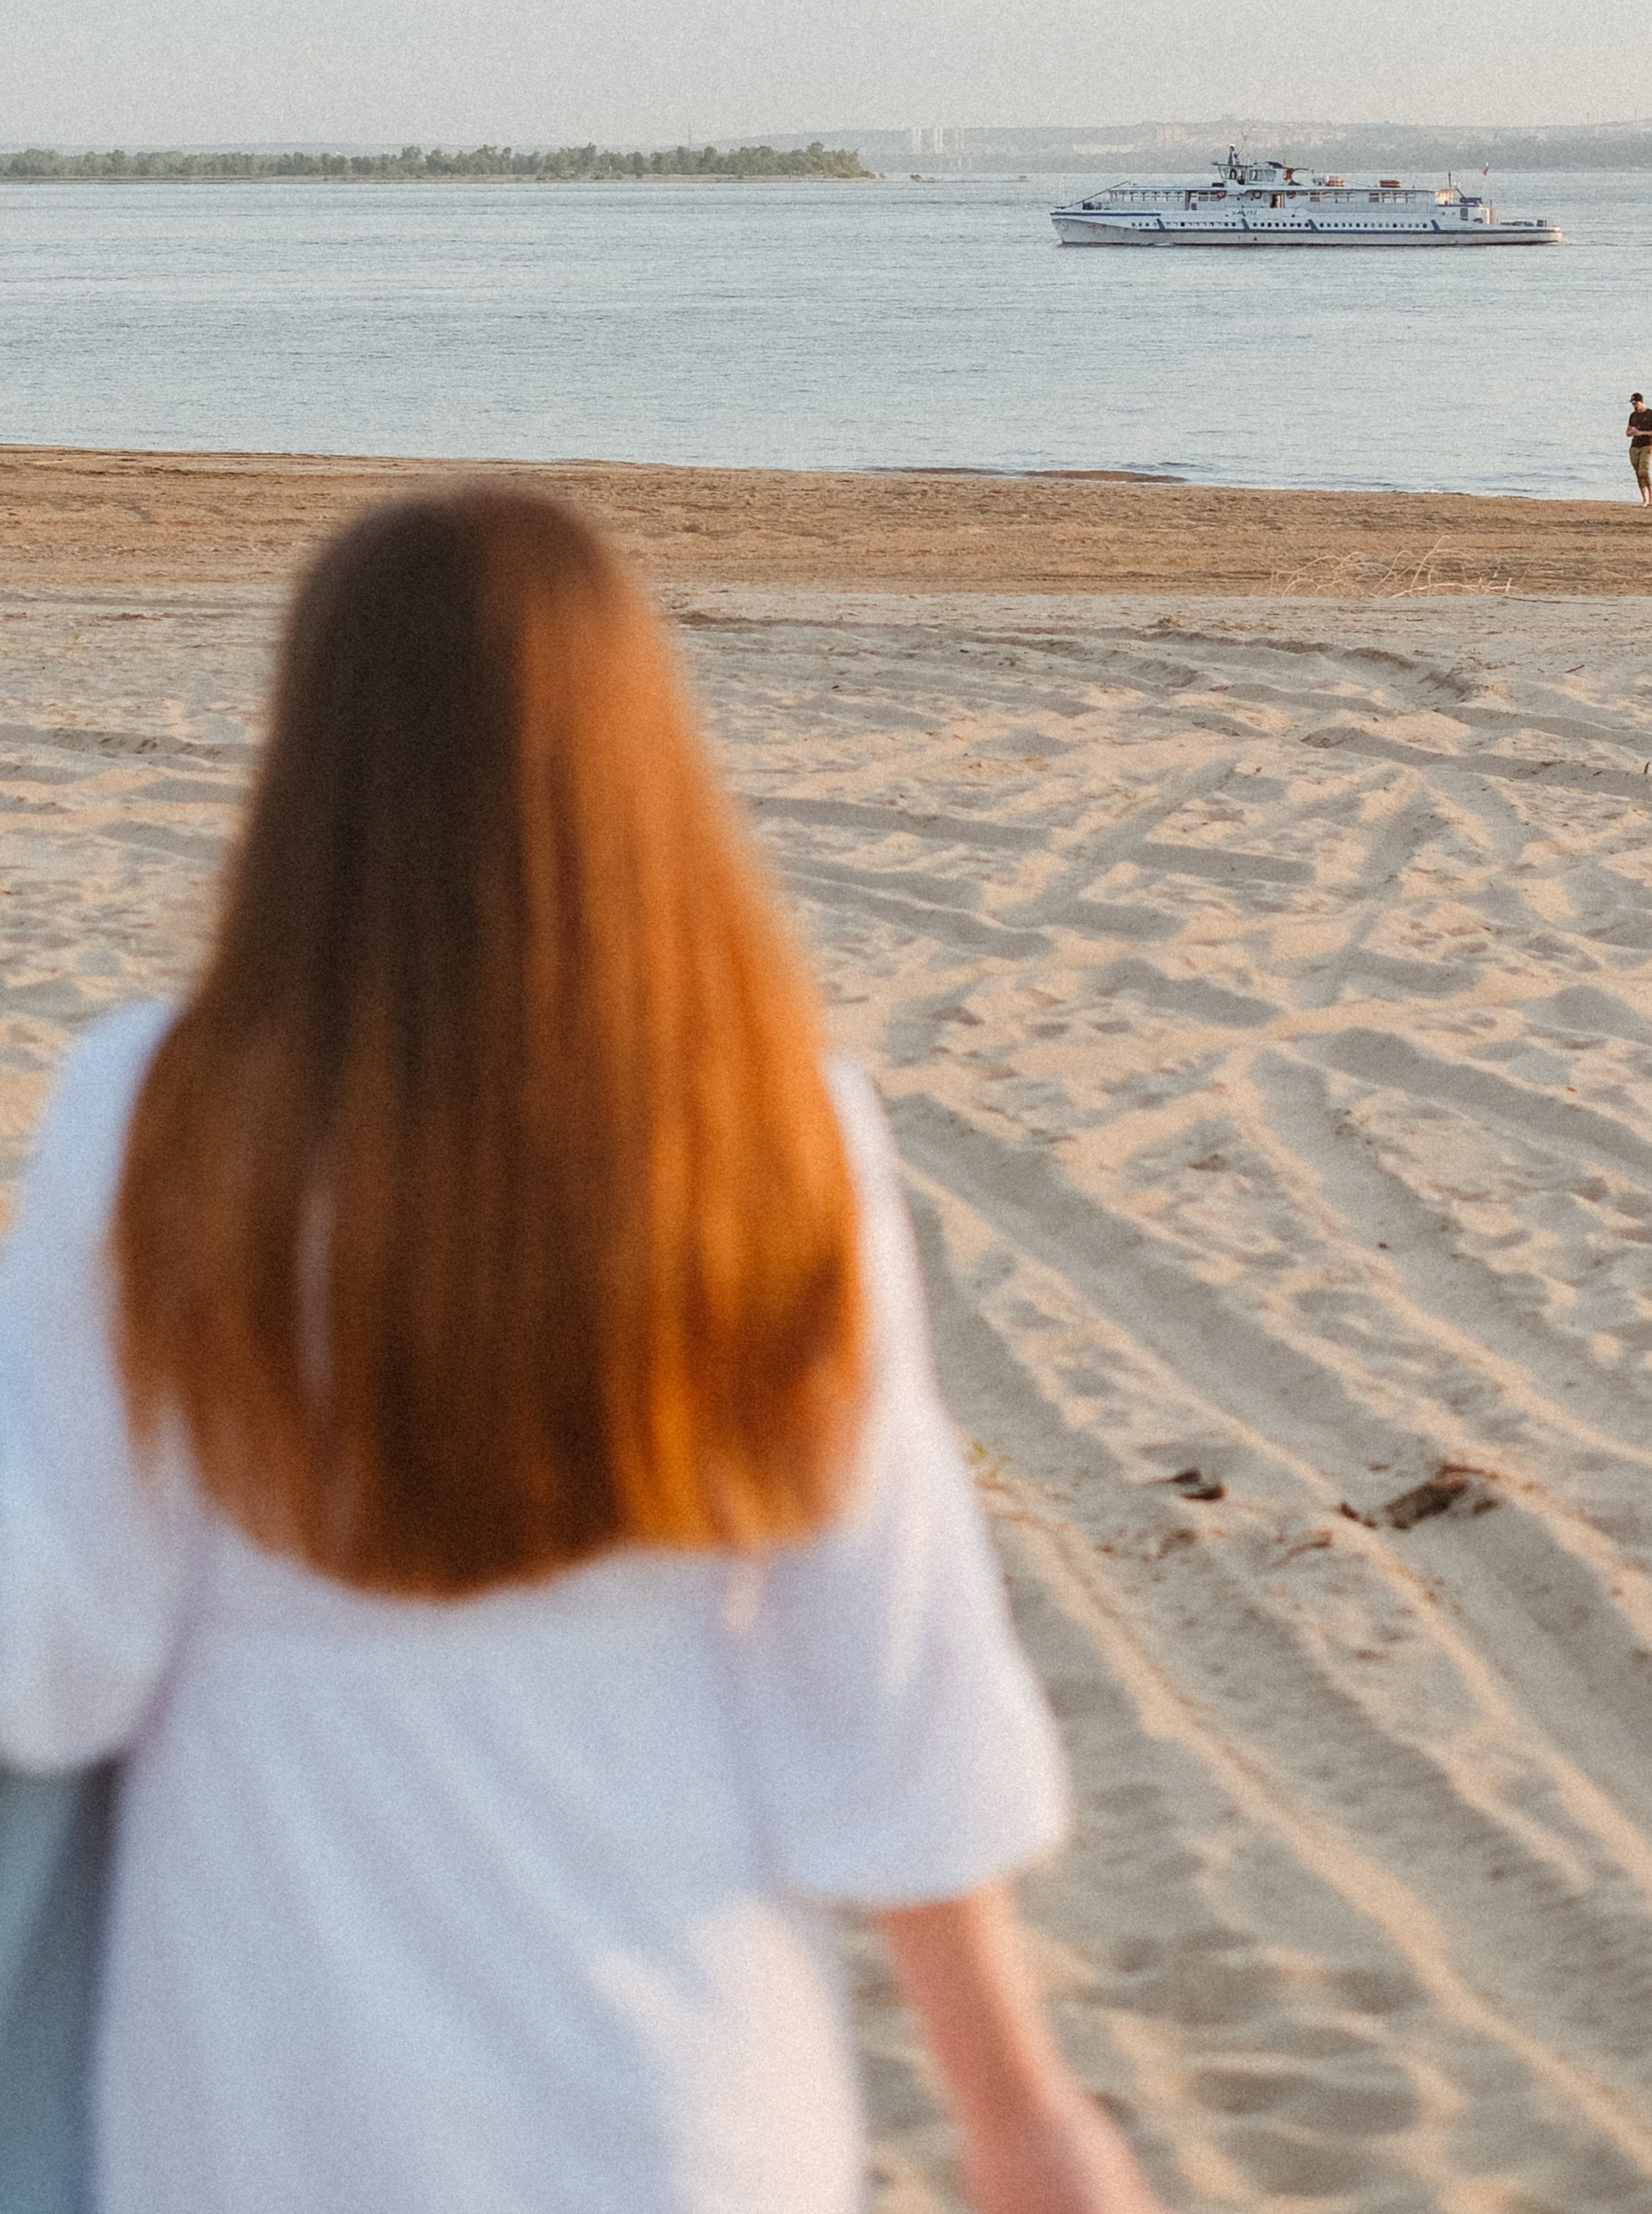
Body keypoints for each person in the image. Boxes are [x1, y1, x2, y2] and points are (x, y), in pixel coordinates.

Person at [0, 489, 1164, 2214]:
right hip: (681, 2083)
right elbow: (891, 1670)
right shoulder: (779, 1130)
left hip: (264, 2070)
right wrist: (1019, 2113)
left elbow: (58, 1652)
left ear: (308, 771)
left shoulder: (154, 1110)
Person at [1626, 391, 1652, 502]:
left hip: (1647, 444)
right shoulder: (1633, 415)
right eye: (1633, 404)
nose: (1634, 406)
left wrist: (1642, 432)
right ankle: (1644, 498)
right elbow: (1627, 432)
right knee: (1637, 471)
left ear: (1641, 402)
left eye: (1636, 403)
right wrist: (1633, 432)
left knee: (1643, 471)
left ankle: (1651, 495)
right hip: (1635, 445)